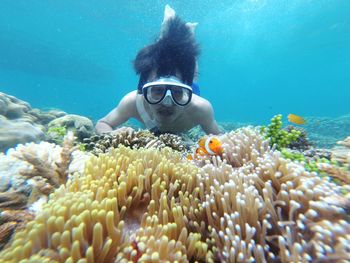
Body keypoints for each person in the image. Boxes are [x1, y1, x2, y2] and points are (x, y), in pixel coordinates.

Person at [95, 5, 220, 135]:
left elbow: (220, 139)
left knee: (190, 65)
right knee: (162, 55)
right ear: (142, 87)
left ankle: (188, 35)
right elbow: (103, 124)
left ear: (187, 92)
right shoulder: (132, 102)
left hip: (189, 85)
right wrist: (112, 135)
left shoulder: (201, 108)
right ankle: (169, 32)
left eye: (177, 92)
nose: (167, 103)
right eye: (158, 90)